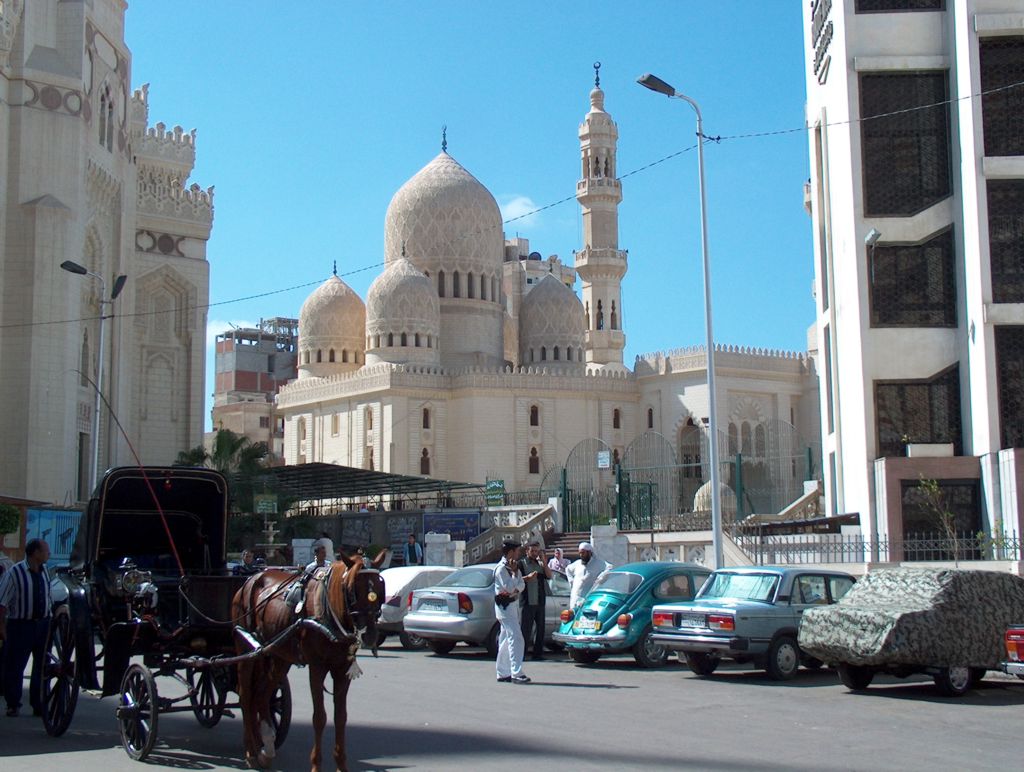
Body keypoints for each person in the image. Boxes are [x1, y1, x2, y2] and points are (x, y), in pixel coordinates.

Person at [0, 539, 52, 717]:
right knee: (15, 666)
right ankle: (13, 704)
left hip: (43, 625)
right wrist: (2, 626)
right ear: (35, 553)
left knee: (42, 666)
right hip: (20, 625)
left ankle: (38, 704)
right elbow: (2, 603)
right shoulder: (15, 572)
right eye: (45, 551)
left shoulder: (45, 571)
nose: (49, 554)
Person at [493, 542, 530, 684]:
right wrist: (514, 577)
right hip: (505, 607)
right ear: (510, 552)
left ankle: (503, 672)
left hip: (512, 605)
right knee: (516, 638)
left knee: (505, 640)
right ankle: (516, 672)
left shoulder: (514, 567)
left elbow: (521, 584)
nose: (519, 553)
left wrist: (515, 585)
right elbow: (508, 588)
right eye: (517, 551)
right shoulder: (502, 569)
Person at [518, 541, 551, 661]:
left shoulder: (540, 564)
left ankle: (537, 654)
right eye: (532, 551)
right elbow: (516, 580)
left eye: (537, 551)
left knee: (540, 628)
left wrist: (545, 562)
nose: (535, 553)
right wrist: (528, 578)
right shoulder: (521, 564)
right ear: (527, 551)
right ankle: (521, 654)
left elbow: (549, 576)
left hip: (539, 601)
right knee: (525, 629)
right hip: (527, 602)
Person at [566, 541, 611, 610]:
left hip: (588, 599)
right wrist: (571, 581)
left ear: (589, 552)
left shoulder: (598, 563)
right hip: (575, 598)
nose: (581, 555)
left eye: (583, 553)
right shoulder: (577, 564)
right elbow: (568, 570)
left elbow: (609, 567)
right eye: (580, 553)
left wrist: (601, 578)